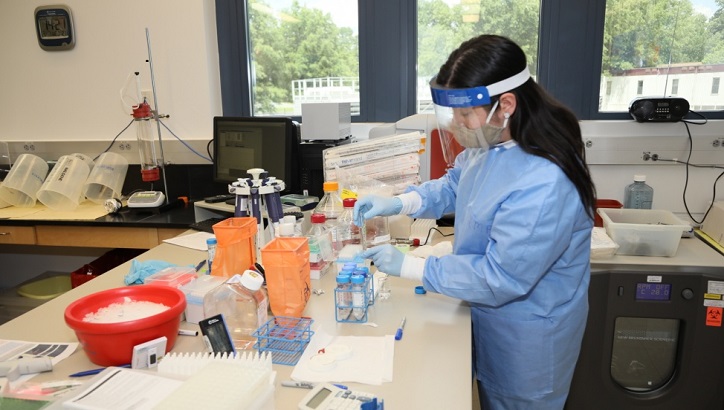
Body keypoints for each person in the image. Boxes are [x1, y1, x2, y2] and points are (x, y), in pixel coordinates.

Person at [354, 34, 596, 410]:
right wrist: (399, 202)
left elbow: (501, 277)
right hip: (487, 318)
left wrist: (412, 266)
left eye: (465, 114)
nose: (456, 125)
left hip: (526, 343)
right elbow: (455, 183)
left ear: (506, 105)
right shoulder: (492, 145)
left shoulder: (545, 181)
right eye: (453, 114)